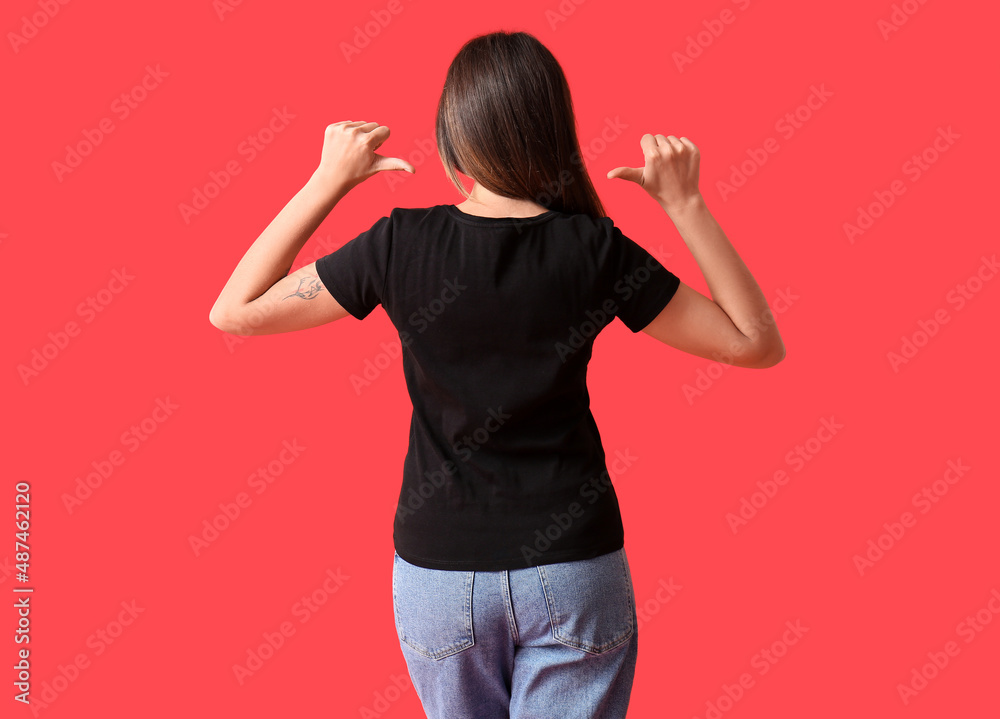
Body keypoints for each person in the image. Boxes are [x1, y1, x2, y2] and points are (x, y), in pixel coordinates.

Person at [209, 29, 785, 719]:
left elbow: (235, 310)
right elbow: (755, 343)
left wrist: (326, 181)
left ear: (453, 138)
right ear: (553, 131)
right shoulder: (591, 250)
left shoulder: (399, 244)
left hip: (440, 575)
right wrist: (686, 203)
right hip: (573, 568)